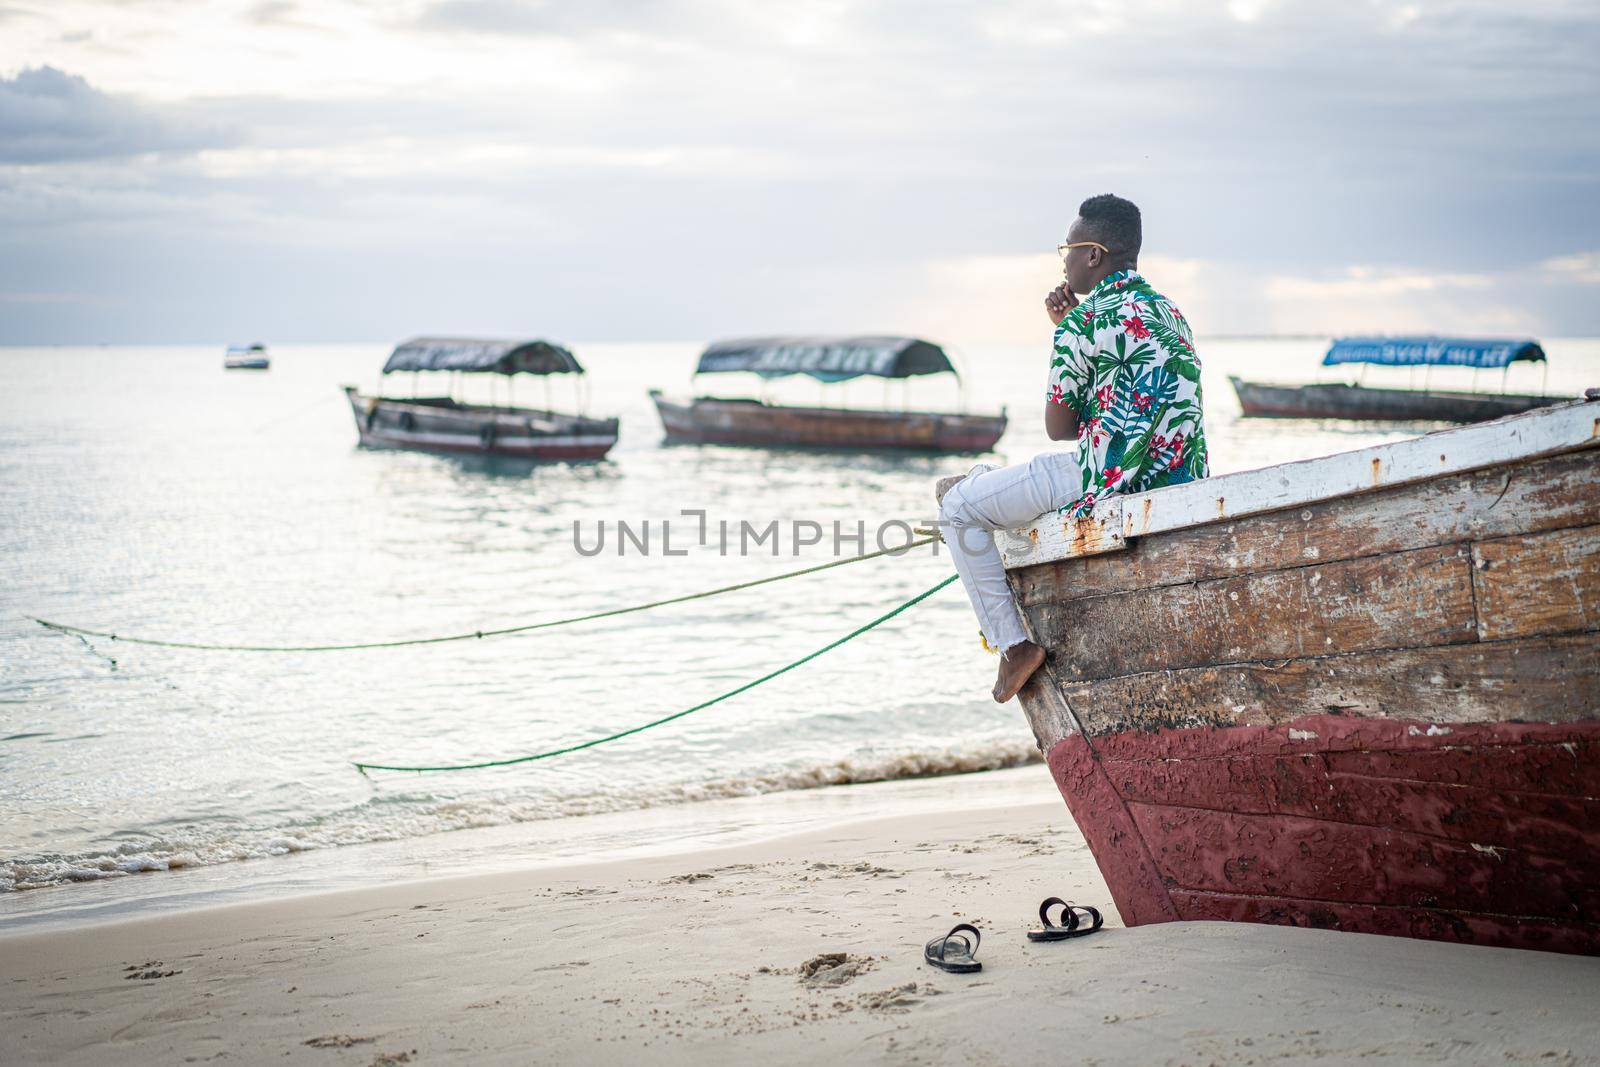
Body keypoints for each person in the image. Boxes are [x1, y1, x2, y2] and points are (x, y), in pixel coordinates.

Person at [937, 193, 1209, 702]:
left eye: (1067, 248)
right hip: (1178, 476)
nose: (1062, 259)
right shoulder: (1170, 312)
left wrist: (1067, 333)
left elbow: (1059, 427)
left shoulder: (1085, 324)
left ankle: (1013, 646)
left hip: (1108, 476)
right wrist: (1070, 329)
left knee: (959, 508)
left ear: (1093, 255)